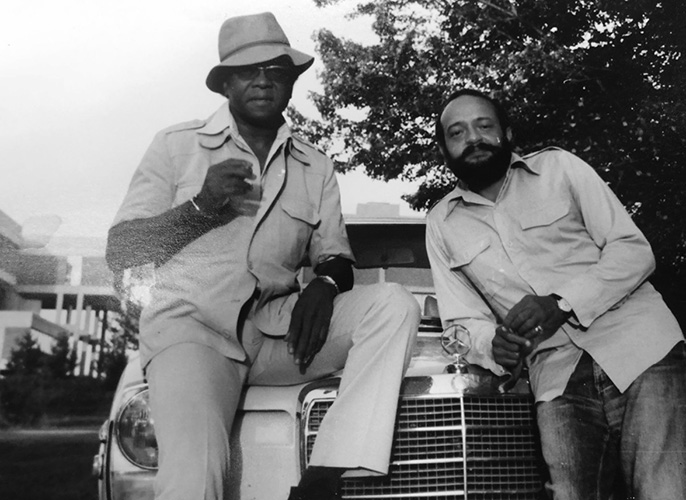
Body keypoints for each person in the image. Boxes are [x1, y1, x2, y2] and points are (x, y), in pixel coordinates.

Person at [106, 12, 420, 500]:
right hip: (193, 332)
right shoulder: (176, 146)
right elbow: (121, 250)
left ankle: (326, 472)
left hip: (279, 333)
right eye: (249, 71)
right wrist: (200, 208)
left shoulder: (314, 164)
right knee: (193, 478)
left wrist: (326, 284)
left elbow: (335, 255)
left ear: (291, 82)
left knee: (395, 304)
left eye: (276, 71)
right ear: (225, 83)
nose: (263, 81)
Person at [426, 88, 686, 499]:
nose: (472, 138)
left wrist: (561, 303)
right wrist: (491, 345)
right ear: (445, 149)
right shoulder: (441, 224)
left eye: (484, 126)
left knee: (666, 491)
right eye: (457, 132)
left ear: (507, 133)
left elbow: (633, 251)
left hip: (640, 349)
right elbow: (460, 321)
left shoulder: (560, 168)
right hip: (558, 378)